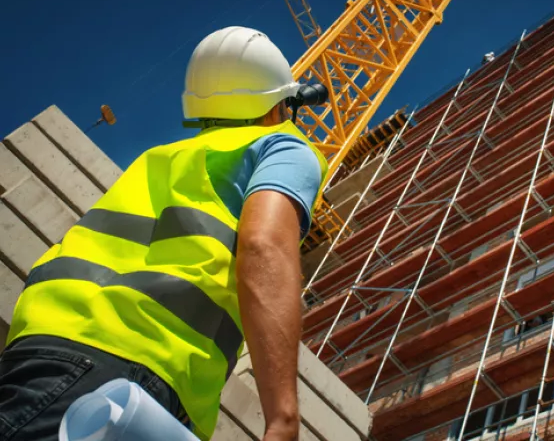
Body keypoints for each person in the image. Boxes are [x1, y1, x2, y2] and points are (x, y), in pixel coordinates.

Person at [0, 27, 328, 441]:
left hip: (37, 348)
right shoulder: (282, 146)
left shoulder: (161, 158)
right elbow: (265, 245)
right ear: (277, 106)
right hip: (132, 371)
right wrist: (284, 419)